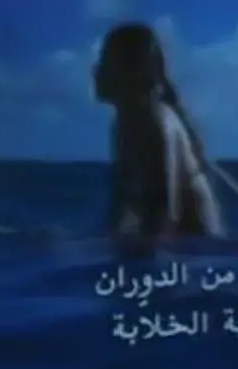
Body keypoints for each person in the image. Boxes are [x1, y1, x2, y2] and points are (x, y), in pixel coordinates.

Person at [91, 23, 221, 244]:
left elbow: (165, 213)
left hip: (195, 251)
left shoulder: (155, 122)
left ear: (128, 71)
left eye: (106, 60)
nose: (97, 69)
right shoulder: (125, 122)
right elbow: (123, 206)